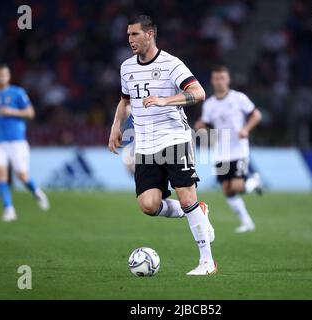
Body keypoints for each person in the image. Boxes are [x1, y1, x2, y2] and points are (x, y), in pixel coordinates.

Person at [108, 15, 216, 275]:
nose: (130, 40)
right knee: (148, 205)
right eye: (128, 35)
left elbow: (199, 92)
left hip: (174, 139)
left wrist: (166, 101)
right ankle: (197, 211)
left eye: (135, 34)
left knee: (186, 194)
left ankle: (206, 262)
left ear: (150, 34)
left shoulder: (171, 64)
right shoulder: (126, 67)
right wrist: (115, 127)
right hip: (145, 144)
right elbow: (125, 101)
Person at [196, 65, 262, 233]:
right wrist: (201, 127)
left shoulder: (239, 98)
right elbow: (205, 125)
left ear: (228, 79)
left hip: (239, 150)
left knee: (237, 186)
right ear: (212, 80)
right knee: (227, 189)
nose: (219, 82)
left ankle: (253, 182)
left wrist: (246, 129)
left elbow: (256, 115)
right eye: (216, 78)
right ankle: (247, 222)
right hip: (221, 151)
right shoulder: (209, 104)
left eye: (222, 78)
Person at [0, 64, 49, 222]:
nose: (0, 78)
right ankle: (9, 209)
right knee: (1, 176)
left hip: (17, 141)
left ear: (8, 76)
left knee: (22, 176)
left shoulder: (17, 92)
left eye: (3, 75)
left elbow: (30, 113)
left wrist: (11, 111)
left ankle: (36, 191)